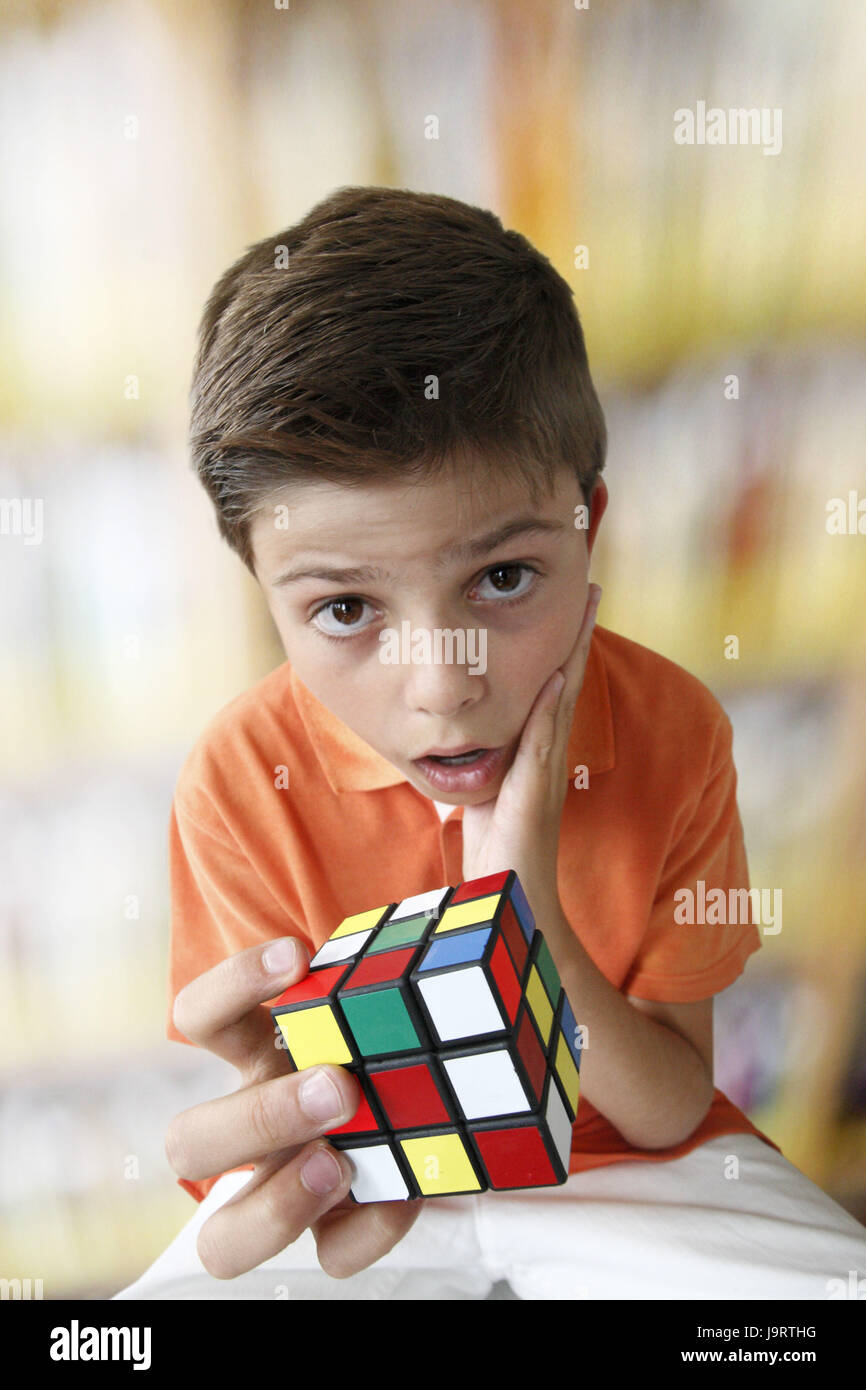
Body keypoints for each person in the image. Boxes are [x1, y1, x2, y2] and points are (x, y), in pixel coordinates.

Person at [114, 187, 866, 1300]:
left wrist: (534, 927)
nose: (442, 686)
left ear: (587, 527)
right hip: (372, 1191)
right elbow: (275, 1130)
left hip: (620, 1180)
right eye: (343, 610)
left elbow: (666, 1104)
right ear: (260, 596)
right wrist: (284, 1134)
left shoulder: (671, 732)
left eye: (502, 578)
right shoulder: (238, 781)